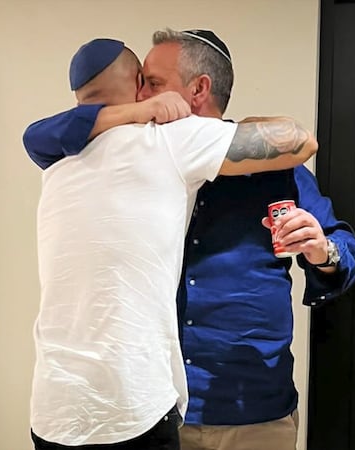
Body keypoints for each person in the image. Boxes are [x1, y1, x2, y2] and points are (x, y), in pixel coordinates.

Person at [29, 37, 318, 450]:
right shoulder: (167, 140)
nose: (150, 96)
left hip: (54, 412)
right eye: (145, 83)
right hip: (135, 411)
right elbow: (300, 139)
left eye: (155, 83)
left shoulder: (57, 162)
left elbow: (36, 134)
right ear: (133, 87)